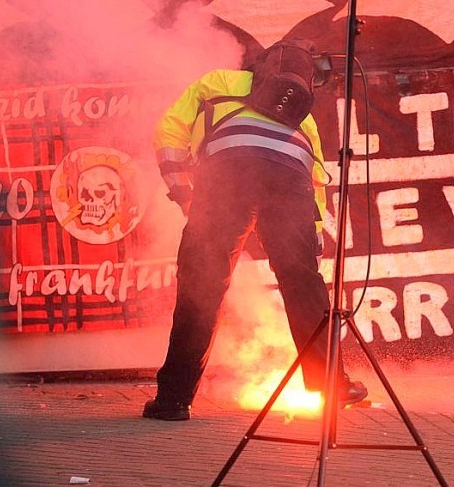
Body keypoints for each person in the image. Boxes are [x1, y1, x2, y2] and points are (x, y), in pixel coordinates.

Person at [143, 40, 368, 421]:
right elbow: (315, 178)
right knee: (302, 282)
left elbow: (169, 130)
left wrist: (182, 189)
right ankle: (331, 383)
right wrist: (311, 236)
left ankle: (173, 400)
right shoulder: (303, 116)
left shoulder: (217, 80)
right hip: (289, 179)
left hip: (226, 172)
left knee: (203, 285)